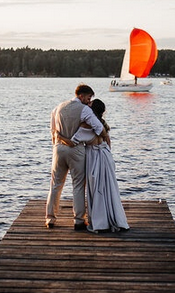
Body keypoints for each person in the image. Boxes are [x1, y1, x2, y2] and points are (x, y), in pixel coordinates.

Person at [46, 84, 105, 230]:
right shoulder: (84, 109)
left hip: (59, 148)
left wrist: (57, 143)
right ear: (81, 96)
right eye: (88, 98)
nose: (89, 101)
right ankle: (78, 220)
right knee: (78, 185)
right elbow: (98, 127)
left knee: (55, 184)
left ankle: (50, 218)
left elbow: (52, 129)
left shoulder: (58, 107)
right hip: (76, 150)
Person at [71, 99, 129, 233]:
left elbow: (75, 140)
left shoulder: (86, 125)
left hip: (93, 155)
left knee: (96, 188)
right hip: (106, 155)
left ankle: (100, 221)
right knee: (109, 187)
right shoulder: (103, 125)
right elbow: (108, 142)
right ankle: (114, 218)